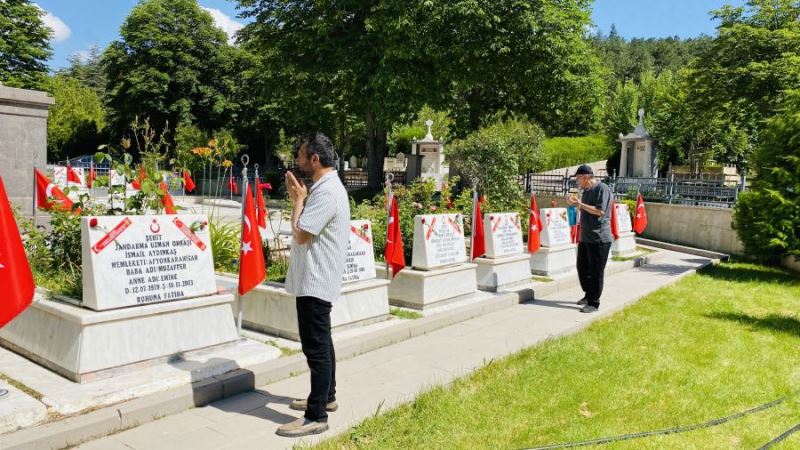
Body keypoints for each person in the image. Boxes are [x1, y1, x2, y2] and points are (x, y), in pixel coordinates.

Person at [277, 132, 350, 438]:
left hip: (315, 281)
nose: (298, 161)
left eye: (302, 155)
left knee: (315, 348)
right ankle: (327, 396)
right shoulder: (328, 187)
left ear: (315, 158)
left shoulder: (325, 192)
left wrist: (298, 201)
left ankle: (316, 415)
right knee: (323, 343)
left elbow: (302, 234)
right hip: (318, 279)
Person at [566, 164, 613, 313]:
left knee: (596, 271)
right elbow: (586, 208)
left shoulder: (602, 189)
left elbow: (600, 211)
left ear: (586, 177)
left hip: (599, 238)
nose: (577, 181)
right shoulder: (586, 191)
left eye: (579, 178)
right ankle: (588, 295)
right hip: (585, 237)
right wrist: (575, 205)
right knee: (582, 268)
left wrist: (580, 203)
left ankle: (594, 302)